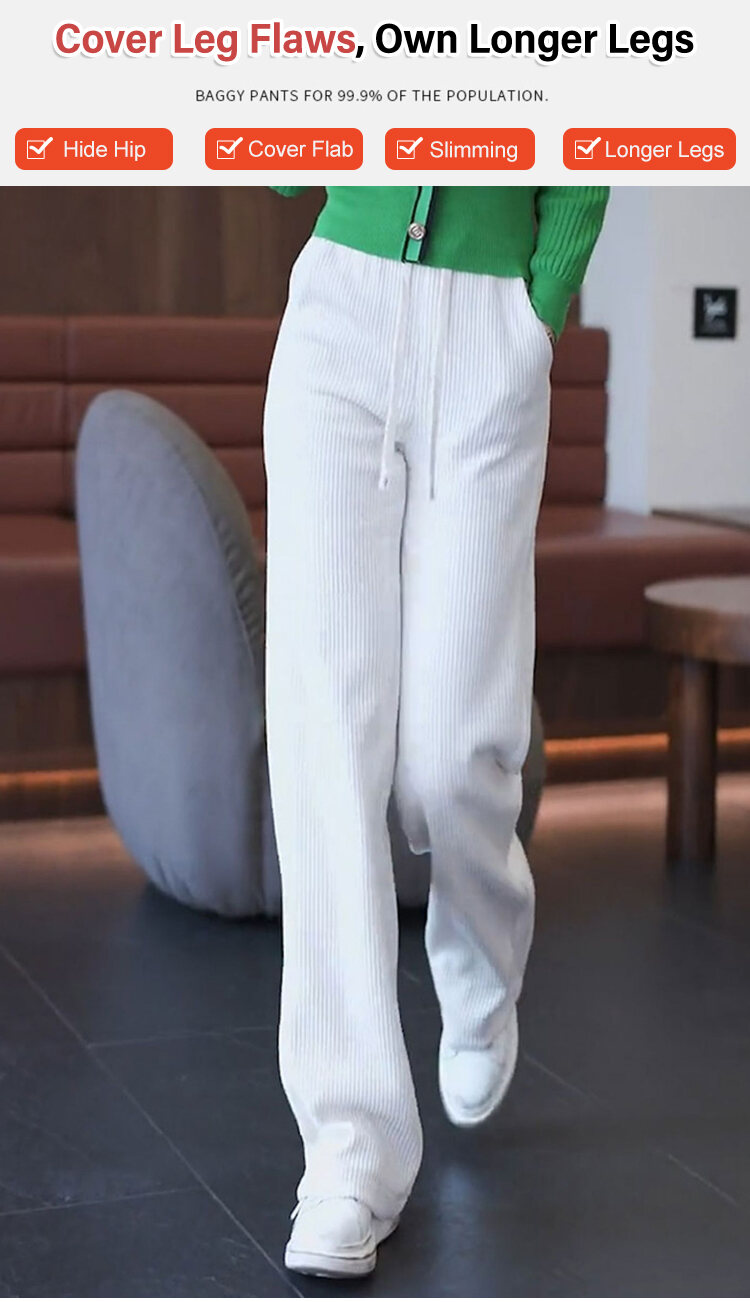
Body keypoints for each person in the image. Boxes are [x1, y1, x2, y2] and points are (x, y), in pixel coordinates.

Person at [262, 185, 609, 1279]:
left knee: (452, 757)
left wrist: (539, 307)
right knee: (325, 742)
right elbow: (285, 163)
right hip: (342, 315)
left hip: (490, 328)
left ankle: (482, 952)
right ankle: (349, 1148)